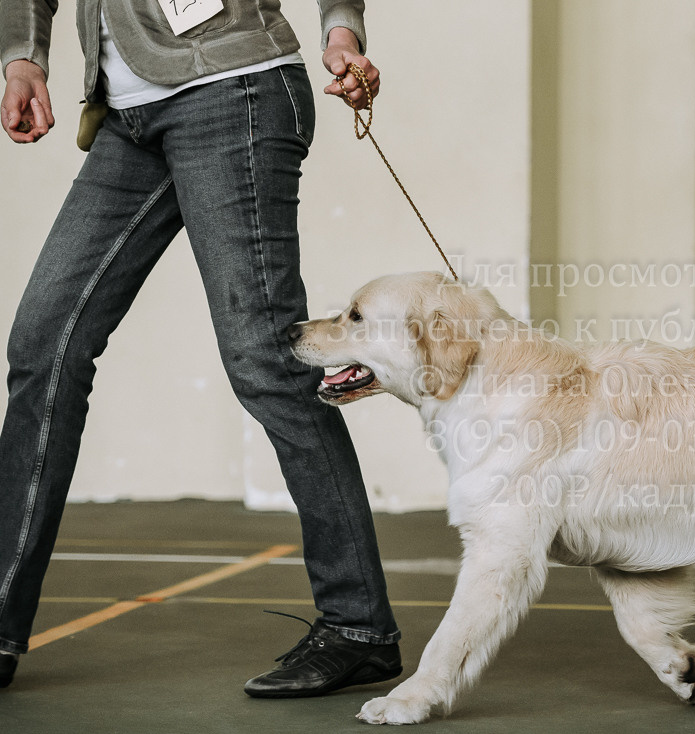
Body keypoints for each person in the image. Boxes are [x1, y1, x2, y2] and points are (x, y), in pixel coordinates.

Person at [0, 0, 403, 696]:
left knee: (266, 363)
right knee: (44, 343)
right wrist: (23, 56)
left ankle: (360, 626)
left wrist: (341, 30)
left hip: (234, 89)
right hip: (127, 117)